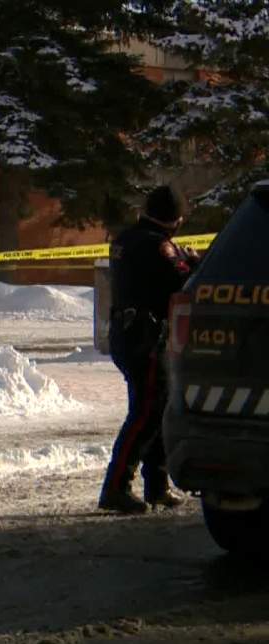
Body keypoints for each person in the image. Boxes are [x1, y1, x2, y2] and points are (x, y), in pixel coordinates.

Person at [98, 185, 198, 514]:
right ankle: (117, 486)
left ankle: (157, 484)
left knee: (155, 410)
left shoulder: (126, 239)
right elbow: (184, 281)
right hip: (147, 337)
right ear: (174, 219)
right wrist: (195, 261)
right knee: (146, 413)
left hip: (127, 333)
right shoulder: (159, 246)